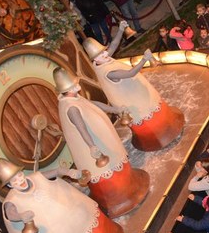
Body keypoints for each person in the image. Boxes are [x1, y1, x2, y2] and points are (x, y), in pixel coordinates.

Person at [54, 67, 149, 218]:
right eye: (74, 83)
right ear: (68, 88)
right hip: (95, 146)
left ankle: (129, 186)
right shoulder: (71, 108)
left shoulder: (73, 98)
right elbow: (81, 129)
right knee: (110, 175)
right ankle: (120, 197)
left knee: (117, 162)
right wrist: (92, 147)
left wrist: (115, 109)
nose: (77, 84)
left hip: (100, 139)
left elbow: (94, 104)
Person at [83, 29, 185, 151]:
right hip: (134, 102)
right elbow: (130, 73)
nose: (105, 54)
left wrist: (120, 30)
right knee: (150, 120)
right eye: (100, 55)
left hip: (135, 93)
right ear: (94, 59)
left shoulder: (101, 62)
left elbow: (114, 45)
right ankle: (157, 137)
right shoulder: (109, 72)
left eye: (103, 51)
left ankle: (167, 125)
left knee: (155, 107)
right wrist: (144, 59)